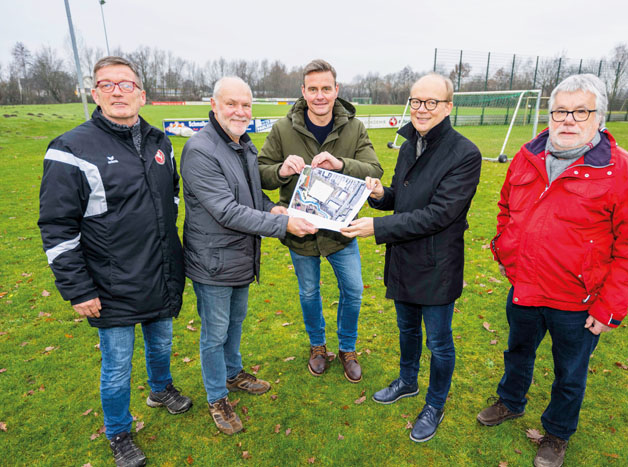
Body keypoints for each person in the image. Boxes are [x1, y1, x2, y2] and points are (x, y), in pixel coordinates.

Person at [476, 74, 628, 467]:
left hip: (578, 300)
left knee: (570, 372)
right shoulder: (526, 156)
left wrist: (609, 309)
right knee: (517, 352)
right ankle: (510, 401)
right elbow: (507, 209)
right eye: (560, 110)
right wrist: (505, 248)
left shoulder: (625, 171)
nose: (568, 120)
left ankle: (556, 433)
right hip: (525, 287)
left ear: (599, 118)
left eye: (581, 111)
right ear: (549, 113)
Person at [38, 56, 192, 467]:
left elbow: (171, 198)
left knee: (161, 344)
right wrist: (78, 288)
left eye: (126, 85)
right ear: (95, 94)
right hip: (110, 283)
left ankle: (161, 389)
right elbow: (56, 226)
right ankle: (119, 431)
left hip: (159, 271)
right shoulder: (71, 148)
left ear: (142, 94)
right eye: (108, 85)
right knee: (117, 366)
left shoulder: (161, 142)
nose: (118, 92)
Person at [341, 73, 482, 442]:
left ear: (448, 107)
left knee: (438, 342)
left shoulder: (465, 154)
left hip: (436, 265)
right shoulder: (408, 144)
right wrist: (379, 195)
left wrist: (379, 227)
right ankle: (407, 380)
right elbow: (404, 200)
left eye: (431, 102)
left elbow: (439, 214)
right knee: (406, 329)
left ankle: (435, 402)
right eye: (416, 101)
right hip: (403, 258)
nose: (421, 109)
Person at [180, 77, 316, 435]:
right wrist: (283, 226)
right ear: (214, 105)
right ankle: (216, 397)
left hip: (240, 255)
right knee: (214, 332)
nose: (240, 111)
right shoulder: (201, 150)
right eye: (231, 104)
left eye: (246, 105)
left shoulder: (242, 145)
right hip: (213, 260)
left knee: (235, 323)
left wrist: (274, 210)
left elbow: (250, 199)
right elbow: (225, 210)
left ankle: (232, 371)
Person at [257, 59, 383, 382]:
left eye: (326, 88)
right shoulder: (283, 129)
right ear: (303, 91)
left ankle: (347, 347)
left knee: (353, 290)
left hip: (340, 230)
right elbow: (259, 174)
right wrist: (282, 170)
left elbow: (375, 169)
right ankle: (317, 346)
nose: (320, 95)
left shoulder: (353, 128)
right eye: (312, 89)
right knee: (309, 292)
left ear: (336, 90)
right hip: (301, 231)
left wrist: (341, 164)